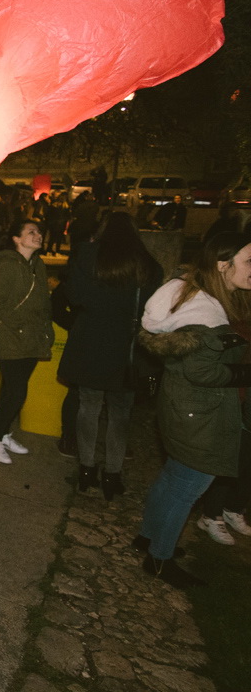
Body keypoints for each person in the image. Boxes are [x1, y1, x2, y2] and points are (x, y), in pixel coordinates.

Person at [135, 232, 251, 587]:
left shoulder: (195, 292)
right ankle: (159, 559)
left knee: (172, 479)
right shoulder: (205, 313)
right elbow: (202, 371)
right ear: (223, 265)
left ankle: (148, 538)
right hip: (199, 416)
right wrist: (244, 372)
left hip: (182, 408)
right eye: (249, 262)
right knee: (186, 489)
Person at [57, 212, 162, 498]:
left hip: (91, 342)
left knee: (88, 408)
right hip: (127, 350)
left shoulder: (88, 254)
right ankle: (113, 475)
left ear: (102, 230)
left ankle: (87, 469)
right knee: (120, 414)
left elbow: (74, 296)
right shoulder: (148, 264)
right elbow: (154, 311)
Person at [0, 220, 53, 464]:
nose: (38, 235)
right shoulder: (8, 264)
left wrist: (46, 328)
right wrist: (20, 326)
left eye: (39, 232)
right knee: (15, 392)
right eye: (31, 232)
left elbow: (44, 301)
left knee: (13, 391)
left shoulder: (38, 265)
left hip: (33, 337)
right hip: (12, 337)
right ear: (16, 239)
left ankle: (3, 434)